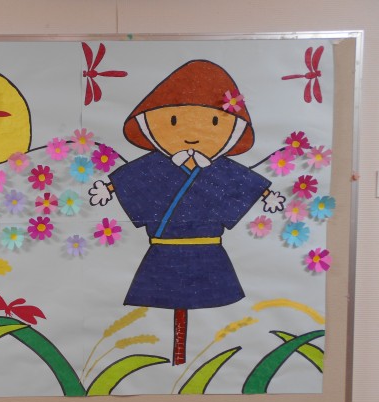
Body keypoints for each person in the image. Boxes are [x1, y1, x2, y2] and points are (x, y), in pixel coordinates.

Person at [89, 60, 285, 365]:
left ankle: (183, 363)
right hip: (163, 251)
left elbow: (243, 181)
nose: (192, 133)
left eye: (215, 122)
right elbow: (132, 178)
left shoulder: (220, 169)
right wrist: (108, 188)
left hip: (208, 252)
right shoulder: (154, 165)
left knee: (204, 313)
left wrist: (267, 195)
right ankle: (174, 362)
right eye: (173, 120)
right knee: (167, 306)